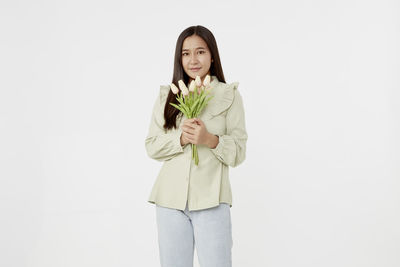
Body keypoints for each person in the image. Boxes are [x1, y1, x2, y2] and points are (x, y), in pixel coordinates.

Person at [144, 25, 248, 267]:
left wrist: (209, 139)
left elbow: (239, 151)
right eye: (185, 53)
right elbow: (151, 145)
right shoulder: (167, 97)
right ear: (179, 58)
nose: (193, 60)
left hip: (212, 201)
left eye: (200, 52)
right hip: (169, 202)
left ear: (212, 55)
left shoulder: (229, 95)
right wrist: (181, 138)